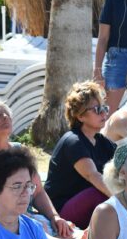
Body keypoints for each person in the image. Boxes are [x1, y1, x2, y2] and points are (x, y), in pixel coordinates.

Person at [0, 99, 83, 239]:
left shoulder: (19, 150)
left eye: (7, 114)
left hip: (25, 214)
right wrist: (28, 219)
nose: (5, 117)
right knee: (32, 227)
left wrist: (54, 217)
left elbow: (38, 191)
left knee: (66, 229)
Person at [45, 81, 117, 228]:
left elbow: (126, 162)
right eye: (97, 109)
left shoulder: (102, 142)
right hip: (61, 214)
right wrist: (126, 201)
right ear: (80, 116)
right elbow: (94, 176)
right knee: (98, 193)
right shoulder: (73, 141)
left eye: (104, 108)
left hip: (85, 208)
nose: (103, 113)